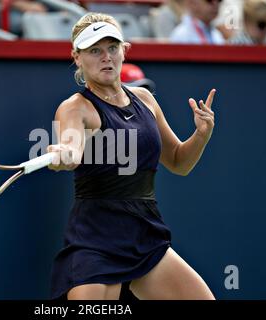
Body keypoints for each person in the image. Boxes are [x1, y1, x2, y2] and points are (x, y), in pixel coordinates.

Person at [47, 12, 216, 300]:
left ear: (124, 51)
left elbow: (178, 161)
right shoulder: (75, 108)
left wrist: (201, 135)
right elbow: (72, 149)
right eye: (94, 51)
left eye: (112, 48)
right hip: (95, 241)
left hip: (144, 236)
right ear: (77, 57)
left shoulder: (146, 100)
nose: (106, 57)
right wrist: (64, 153)